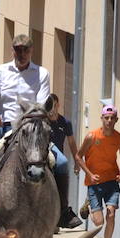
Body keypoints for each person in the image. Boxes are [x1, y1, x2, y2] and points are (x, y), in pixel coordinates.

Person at [0, 33, 50, 208]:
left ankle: (63, 212)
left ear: (32, 51)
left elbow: (42, 105)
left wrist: (28, 121)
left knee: (60, 163)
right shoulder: (1, 71)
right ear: (12, 51)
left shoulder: (41, 74)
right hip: (3, 129)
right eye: (18, 50)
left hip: (31, 130)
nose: (21, 54)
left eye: (25, 50)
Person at [77, 104, 120, 238]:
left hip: (111, 182)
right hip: (95, 183)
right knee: (99, 222)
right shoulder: (92, 137)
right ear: (102, 119)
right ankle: (89, 204)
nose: (109, 121)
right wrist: (90, 175)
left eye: (112, 118)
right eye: (107, 118)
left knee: (111, 214)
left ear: (116, 120)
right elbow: (78, 156)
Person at [45, 94, 83, 230]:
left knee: (58, 187)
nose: (52, 109)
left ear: (58, 105)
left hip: (56, 158)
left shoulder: (64, 123)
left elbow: (72, 143)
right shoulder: (42, 121)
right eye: (50, 106)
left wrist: (77, 162)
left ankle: (63, 212)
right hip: (43, 154)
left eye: (54, 105)